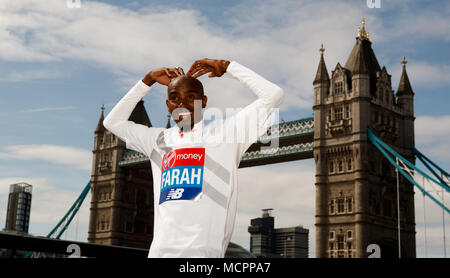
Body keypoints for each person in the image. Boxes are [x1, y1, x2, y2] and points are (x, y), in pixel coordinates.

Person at [103, 58, 284, 258]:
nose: (182, 104)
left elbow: (273, 95)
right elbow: (113, 122)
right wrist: (147, 80)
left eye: (191, 97)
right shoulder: (158, 140)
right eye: (174, 98)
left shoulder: (226, 133)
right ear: (168, 105)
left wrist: (227, 66)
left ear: (203, 101)